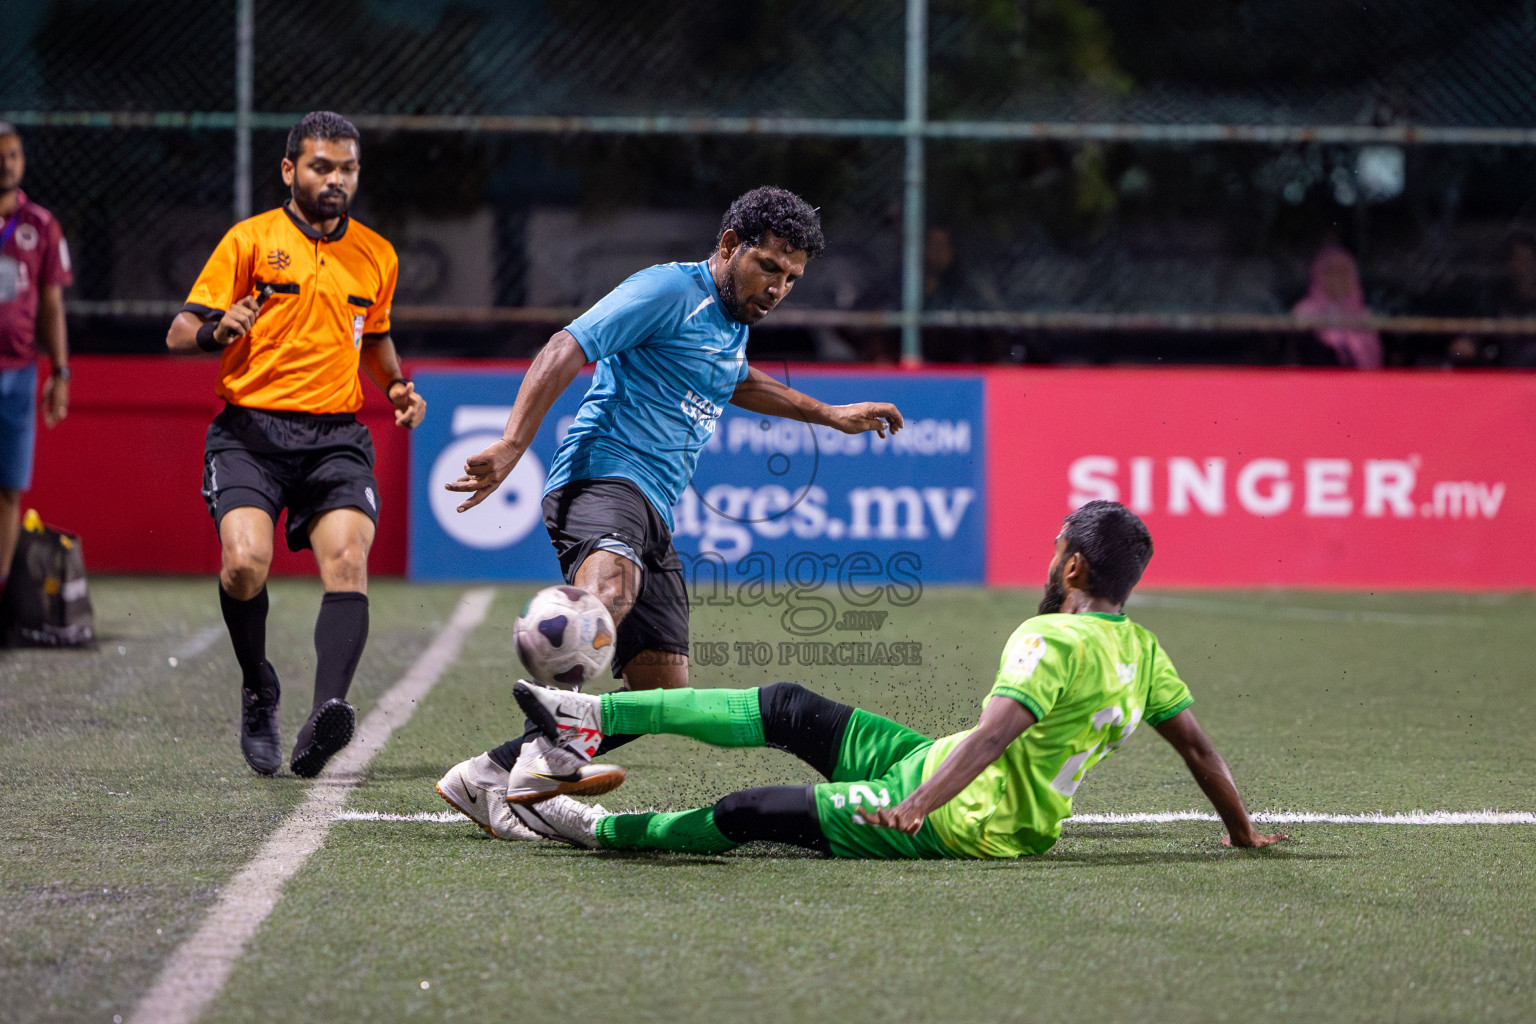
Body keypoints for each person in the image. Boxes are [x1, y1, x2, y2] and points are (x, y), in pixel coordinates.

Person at [434, 186, 904, 841]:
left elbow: (734, 378)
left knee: (665, 692)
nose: (777, 287)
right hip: (602, 478)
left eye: (792, 279)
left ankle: (487, 775)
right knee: (612, 589)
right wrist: (515, 443)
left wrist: (827, 414)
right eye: (768, 267)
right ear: (730, 247)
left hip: (654, 509)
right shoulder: (667, 291)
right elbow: (568, 346)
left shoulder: (731, 321)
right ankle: (543, 768)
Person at [498, 501, 1288, 858]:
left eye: (1056, 550)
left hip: (963, 821)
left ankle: (592, 828)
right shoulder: (1142, 651)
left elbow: (996, 733)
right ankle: (587, 716)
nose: (1050, 561)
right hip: (937, 766)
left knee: (747, 811)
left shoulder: (1051, 638)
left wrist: (915, 806)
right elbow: (1199, 750)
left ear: (1074, 566)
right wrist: (1243, 830)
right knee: (786, 706)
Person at [166, 111, 426, 778]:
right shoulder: (249, 241)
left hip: (336, 437)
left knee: (347, 559)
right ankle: (259, 686)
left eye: (347, 169)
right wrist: (217, 333)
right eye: (321, 167)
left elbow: (372, 334)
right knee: (244, 565)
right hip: (250, 433)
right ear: (290, 170)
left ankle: (323, 715)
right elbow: (178, 332)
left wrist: (395, 387)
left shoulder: (377, 253)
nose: (336, 180)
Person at [0, 123, 71, 593]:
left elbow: (52, 304)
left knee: (9, 487)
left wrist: (60, 372)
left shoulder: (41, 225)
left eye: (13, 154)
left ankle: (1, 586)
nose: (6, 162)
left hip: (20, 374)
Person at [1292, 244, 1382, 370]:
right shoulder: (1304, 313)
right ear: (1320, 276)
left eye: (1344, 272)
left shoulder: (1364, 315)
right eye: (1332, 272)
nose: (1339, 278)